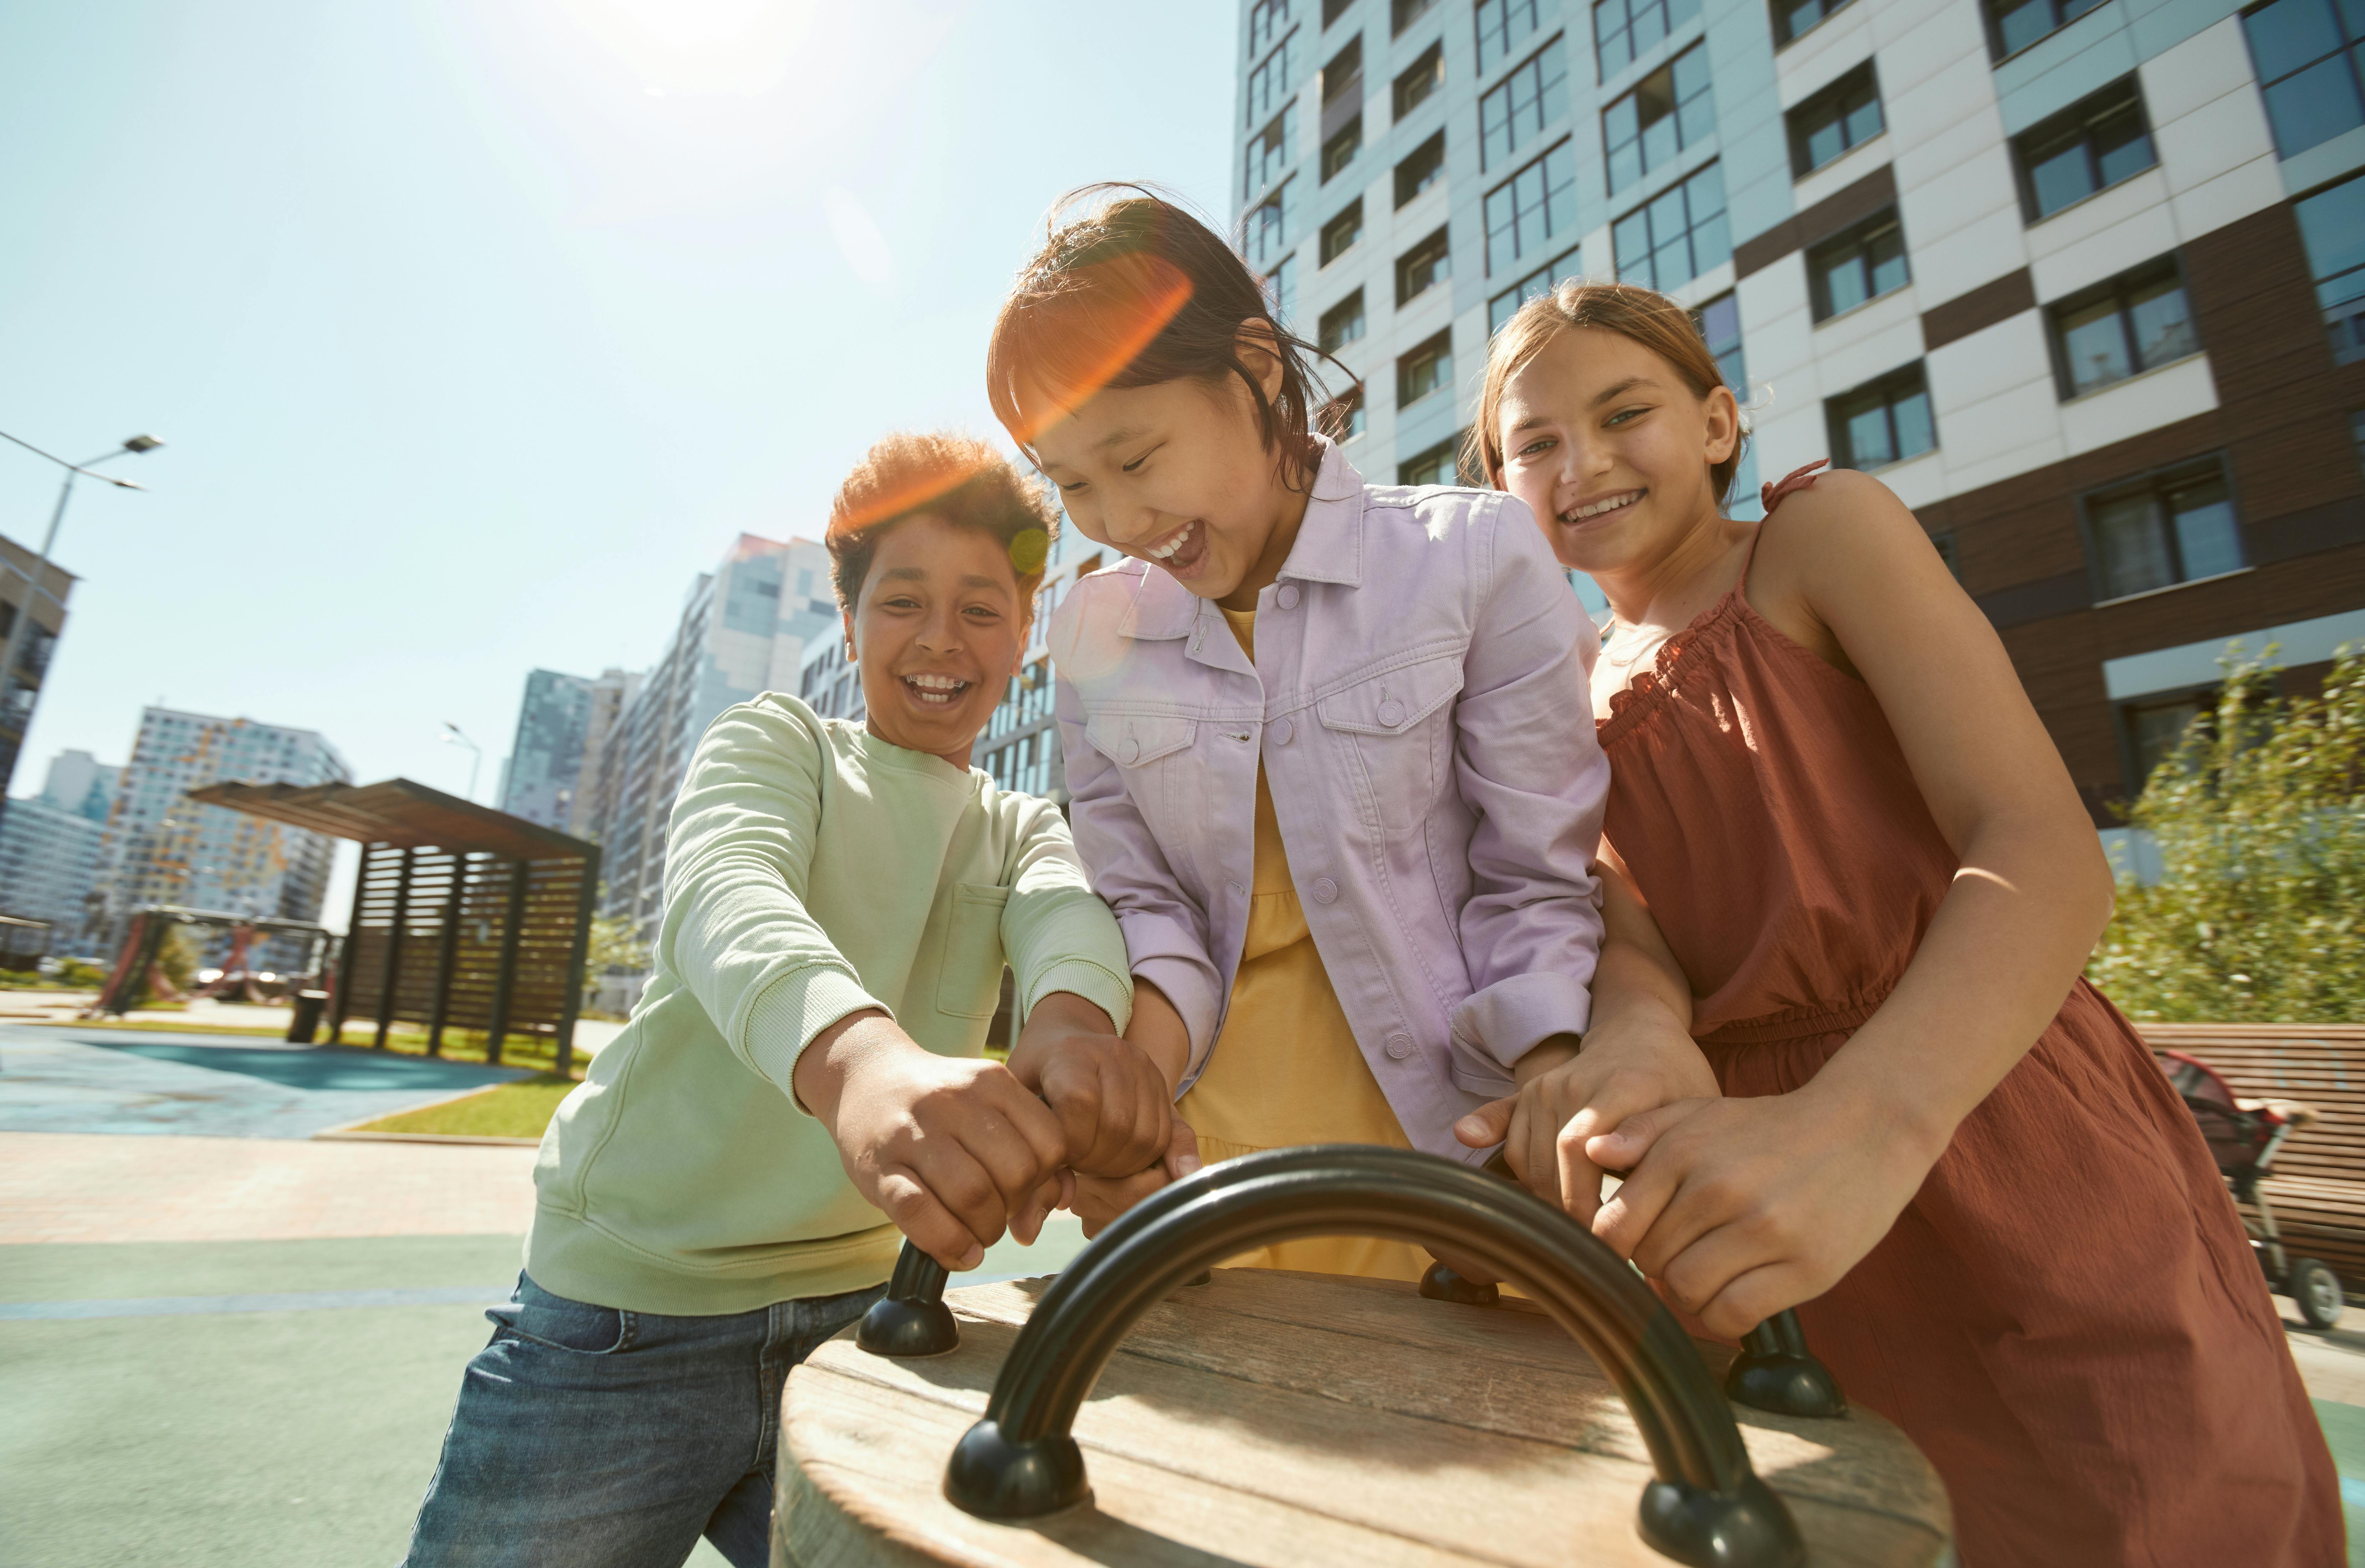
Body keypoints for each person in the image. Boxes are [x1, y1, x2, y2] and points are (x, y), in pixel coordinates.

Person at [1460, 279, 2339, 1566]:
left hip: (1974, 1103)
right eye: (1532, 445)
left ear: (1715, 423)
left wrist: (1863, 1124)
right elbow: (1633, 943)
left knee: (2144, 1503)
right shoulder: (1560, 698)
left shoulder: (1818, 540)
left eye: (1621, 412)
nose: (1578, 461)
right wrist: (1632, 1056)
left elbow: (2038, 847)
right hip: (1756, 1193)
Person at [400, 433, 1168, 1568]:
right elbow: (727, 888)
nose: (941, 640)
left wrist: (1071, 1031)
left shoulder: (1019, 825)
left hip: (870, 1317)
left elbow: (1066, 918)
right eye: (902, 602)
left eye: (982, 609)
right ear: (849, 622)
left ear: (1026, 637)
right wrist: (862, 1063)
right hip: (623, 1320)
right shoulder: (780, 744)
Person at [983, 189, 1674, 1281]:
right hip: (1201, 1185)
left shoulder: (1473, 558)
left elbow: (1537, 875)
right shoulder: (1093, 634)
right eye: (1071, 483)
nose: (1114, 519)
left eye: (1136, 457)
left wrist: (1549, 1082)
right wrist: (1130, 1093)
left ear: (1256, 369)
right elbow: (1146, 903)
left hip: (1452, 1167)